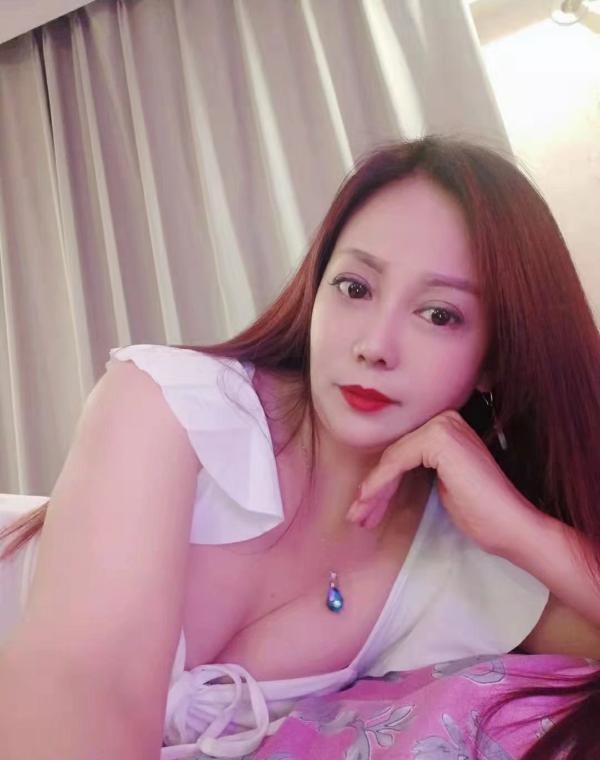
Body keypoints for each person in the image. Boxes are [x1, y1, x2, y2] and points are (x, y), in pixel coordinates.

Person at [0, 136, 598, 760]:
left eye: (438, 315)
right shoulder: (171, 405)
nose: (375, 345)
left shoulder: (457, 563)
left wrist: (522, 529)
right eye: (356, 288)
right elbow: (84, 688)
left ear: (493, 360)